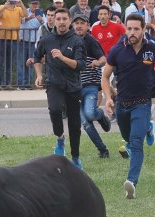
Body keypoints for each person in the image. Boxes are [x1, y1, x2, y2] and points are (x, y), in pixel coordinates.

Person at [102, 13, 155, 199]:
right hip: (122, 104)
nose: (132, 32)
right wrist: (108, 97)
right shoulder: (117, 50)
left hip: (142, 103)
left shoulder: (152, 47)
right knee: (127, 137)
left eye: (136, 29)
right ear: (125, 28)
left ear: (143, 29)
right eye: (129, 28)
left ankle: (131, 183)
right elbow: (105, 77)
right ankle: (149, 127)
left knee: (136, 143)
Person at [33, 8, 86, 169]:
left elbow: (81, 65)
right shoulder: (47, 39)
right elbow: (36, 57)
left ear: (69, 21)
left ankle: (75, 157)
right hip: (54, 83)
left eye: (64, 19)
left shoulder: (77, 41)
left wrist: (63, 58)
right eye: (58, 19)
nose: (61, 22)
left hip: (73, 86)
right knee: (55, 110)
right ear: (53, 21)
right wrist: (39, 75)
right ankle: (60, 138)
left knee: (74, 124)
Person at [73, 14, 111, 158]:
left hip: (90, 85)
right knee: (86, 123)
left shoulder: (91, 41)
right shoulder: (69, 41)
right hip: (74, 89)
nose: (79, 26)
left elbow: (103, 59)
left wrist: (98, 62)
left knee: (90, 113)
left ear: (88, 26)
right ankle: (103, 150)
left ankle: (101, 115)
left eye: (82, 23)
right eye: (76, 23)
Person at [0, 0, 27, 87]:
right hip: (2, 38)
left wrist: (22, 4)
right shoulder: (1, 7)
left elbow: (25, 15)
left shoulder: (18, 8)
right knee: (0, 61)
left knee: (10, 62)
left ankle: (7, 83)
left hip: (14, 39)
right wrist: (4, 7)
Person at [19, 0, 43, 89]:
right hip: (23, 41)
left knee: (32, 63)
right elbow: (19, 21)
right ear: (29, 4)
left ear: (39, 4)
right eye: (33, 4)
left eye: (36, 3)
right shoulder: (24, 11)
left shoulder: (41, 13)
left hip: (34, 43)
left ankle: (28, 84)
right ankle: (21, 84)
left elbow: (45, 24)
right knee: (21, 63)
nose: (35, 5)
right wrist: (28, 18)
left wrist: (40, 20)